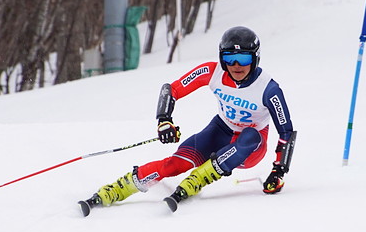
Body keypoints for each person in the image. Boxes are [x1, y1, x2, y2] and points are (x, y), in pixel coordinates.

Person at [79, 26, 296, 216]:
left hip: (250, 148)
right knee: (175, 164)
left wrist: (279, 171)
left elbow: (286, 131)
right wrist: (164, 120)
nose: (236, 65)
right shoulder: (213, 72)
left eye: (244, 59)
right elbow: (171, 89)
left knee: (251, 136)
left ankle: (198, 179)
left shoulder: (269, 89)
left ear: (255, 58)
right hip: (219, 131)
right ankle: (116, 189)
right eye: (229, 58)